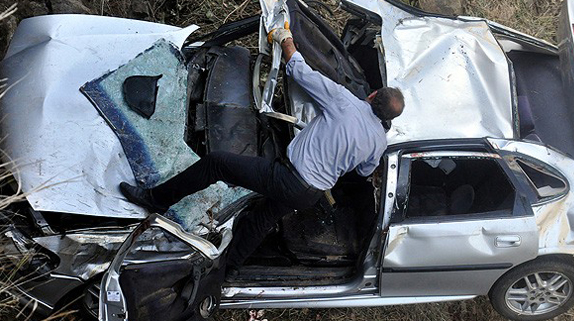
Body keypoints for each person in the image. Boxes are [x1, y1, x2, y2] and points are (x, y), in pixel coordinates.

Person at [120, 26, 405, 280]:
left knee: (216, 164)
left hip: (287, 177)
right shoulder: (379, 142)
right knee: (261, 220)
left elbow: (300, 71)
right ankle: (230, 270)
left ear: (371, 95)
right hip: (310, 193)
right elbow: (364, 172)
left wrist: (286, 39)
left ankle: (156, 199)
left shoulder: (345, 101)